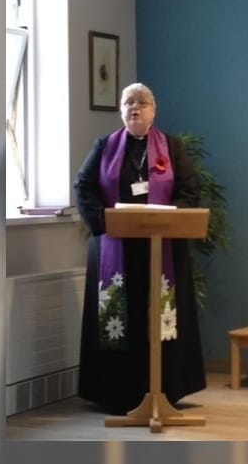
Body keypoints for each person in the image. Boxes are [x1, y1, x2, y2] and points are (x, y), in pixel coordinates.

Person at [73, 82, 206, 414]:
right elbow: (83, 185)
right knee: (123, 318)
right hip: (115, 249)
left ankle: (166, 389)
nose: (135, 107)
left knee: (156, 316)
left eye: (142, 102)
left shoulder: (171, 147)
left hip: (162, 249)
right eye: (128, 102)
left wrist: (171, 218)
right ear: (121, 111)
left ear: (153, 111)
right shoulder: (104, 146)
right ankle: (116, 394)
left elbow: (189, 188)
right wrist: (102, 222)